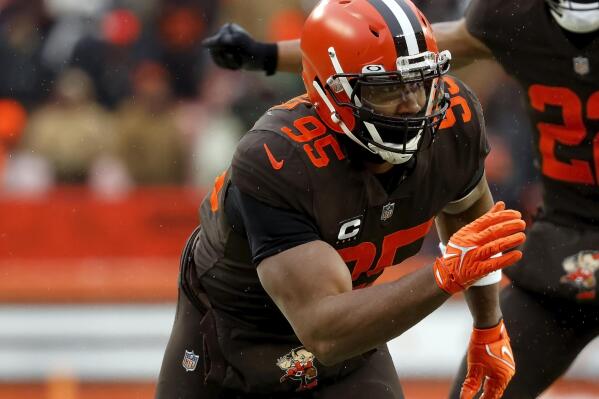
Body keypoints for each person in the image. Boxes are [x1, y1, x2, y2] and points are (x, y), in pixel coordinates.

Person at [202, 0, 599, 397]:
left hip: (349, 332)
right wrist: (444, 275)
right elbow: (323, 330)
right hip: (229, 332)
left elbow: (474, 230)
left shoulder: (450, 122)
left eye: (420, 84)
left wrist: (487, 323)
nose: (412, 105)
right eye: (389, 89)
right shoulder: (278, 159)